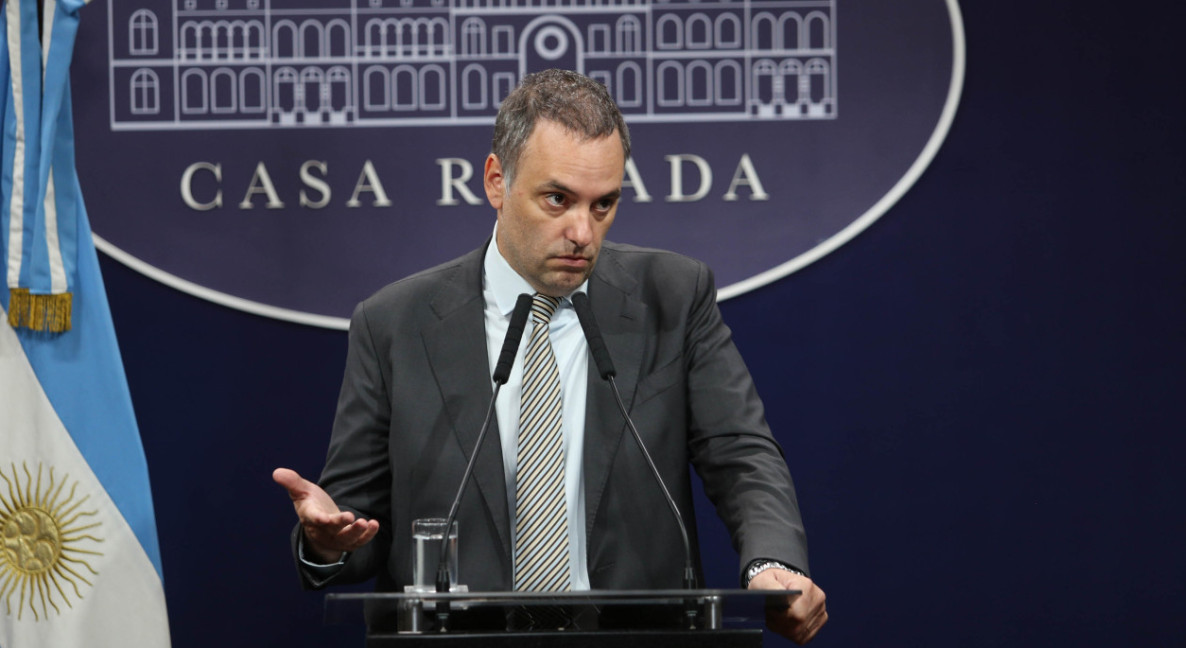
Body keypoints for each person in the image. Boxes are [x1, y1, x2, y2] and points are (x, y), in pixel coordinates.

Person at [274, 69, 827, 644]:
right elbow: (353, 523)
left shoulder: (674, 296)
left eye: (604, 204)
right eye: (557, 199)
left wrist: (771, 565)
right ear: (496, 181)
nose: (583, 232)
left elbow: (741, 454)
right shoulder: (394, 323)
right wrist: (325, 543)